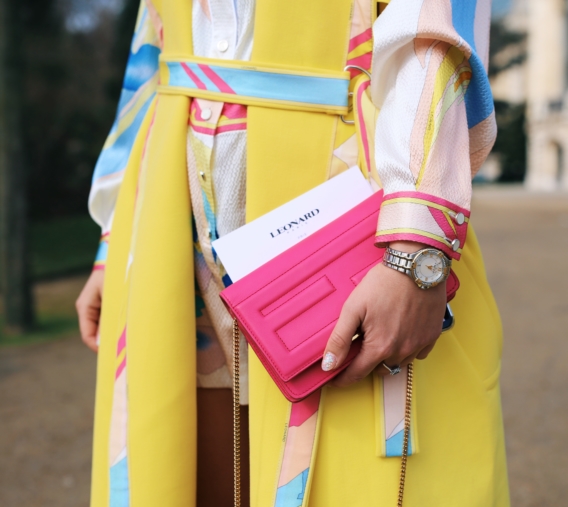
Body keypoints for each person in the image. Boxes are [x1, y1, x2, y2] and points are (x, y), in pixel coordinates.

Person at [76, 0, 509, 505]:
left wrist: (415, 250)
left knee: (349, 462)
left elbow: (432, 30)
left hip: (346, 200)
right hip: (165, 217)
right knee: (189, 465)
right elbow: (148, 54)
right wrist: (112, 241)